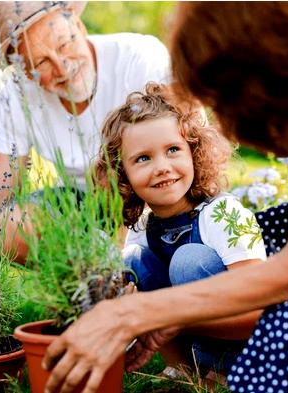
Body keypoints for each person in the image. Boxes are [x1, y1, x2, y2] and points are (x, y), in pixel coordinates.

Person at [41, 2, 288, 393]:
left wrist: (137, 314)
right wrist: (165, 311)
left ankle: (247, 365)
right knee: (263, 230)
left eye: (225, 97)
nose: (228, 122)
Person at [93, 82, 267, 375]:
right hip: (194, 335)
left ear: (194, 152)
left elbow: (260, 311)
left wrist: (170, 314)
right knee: (132, 260)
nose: (161, 166)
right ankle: (184, 373)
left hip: (252, 351)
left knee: (188, 259)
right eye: (143, 158)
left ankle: (225, 374)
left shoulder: (224, 214)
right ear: (123, 175)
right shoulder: (144, 226)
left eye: (173, 149)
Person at [0, 1, 171, 262]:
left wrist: (121, 247)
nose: (62, 68)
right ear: (24, 70)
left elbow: (179, 152)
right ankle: (88, 282)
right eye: (42, 61)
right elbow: (0, 187)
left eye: (64, 45)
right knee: (9, 226)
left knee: (145, 255)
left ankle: (129, 275)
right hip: (83, 204)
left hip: (157, 195)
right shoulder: (16, 96)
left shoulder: (138, 58)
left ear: (78, 26)